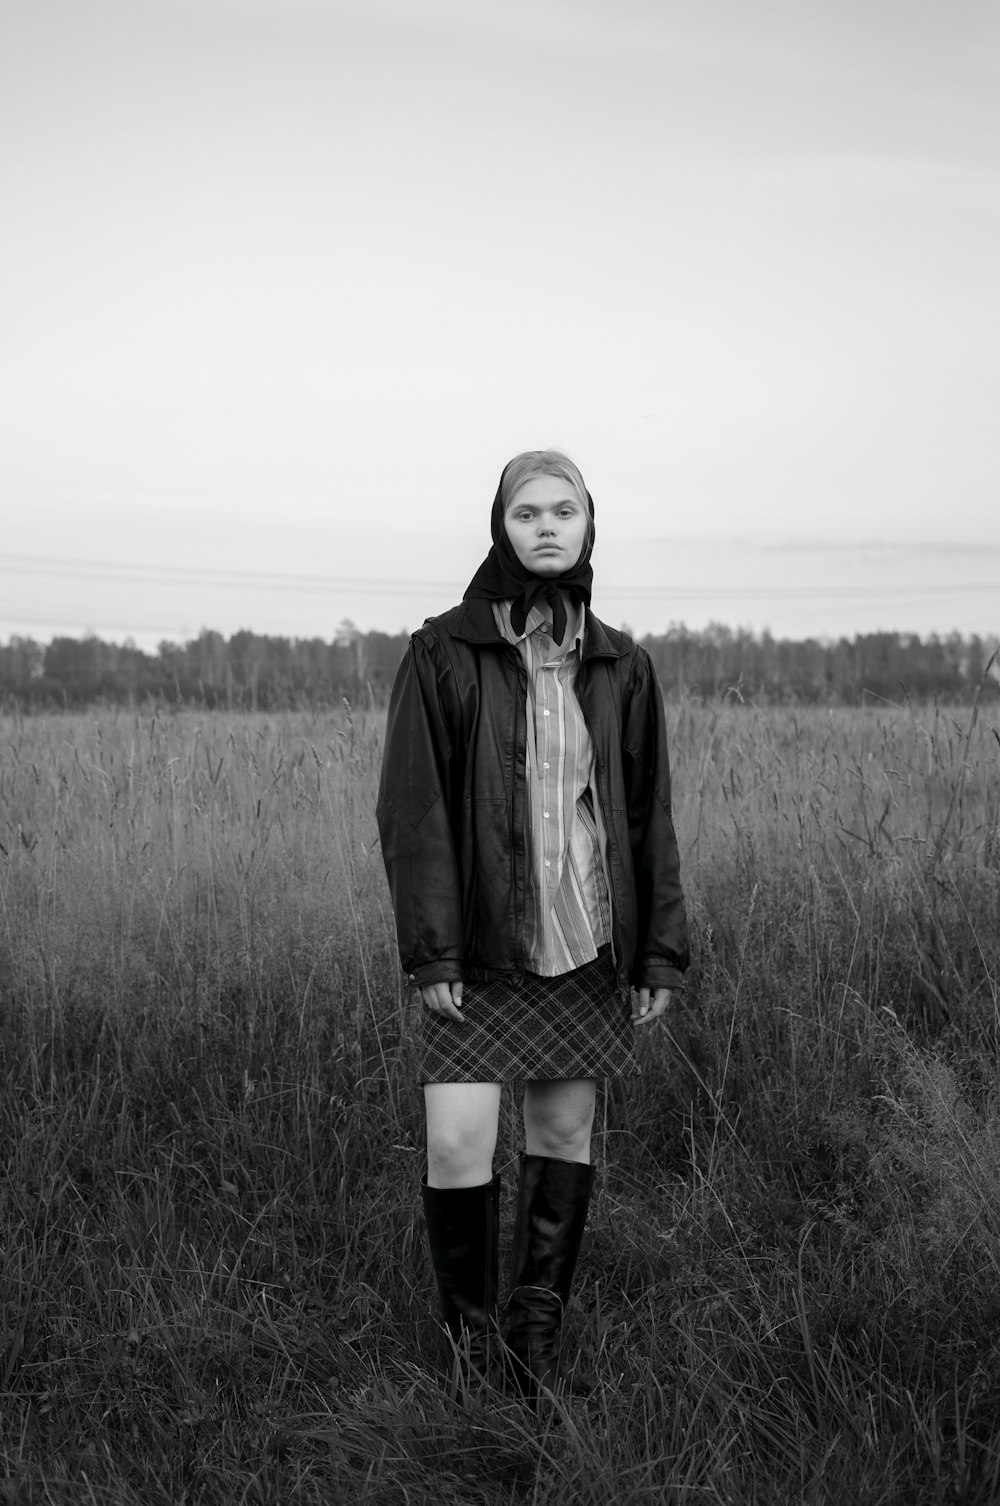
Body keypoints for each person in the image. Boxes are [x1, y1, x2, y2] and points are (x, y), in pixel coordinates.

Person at [376, 449, 689, 1403]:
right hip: (477, 945)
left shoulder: (621, 664)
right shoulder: (441, 653)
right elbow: (414, 810)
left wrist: (655, 954)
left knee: (562, 1130)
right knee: (461, 1144)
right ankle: (471, 1352)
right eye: (527, 513)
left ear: (590, 527)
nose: (546, 527)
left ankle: (531, 1345)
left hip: (587, 942)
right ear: (499, 527)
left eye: (565, 511)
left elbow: (644, 816)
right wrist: (433, 948)